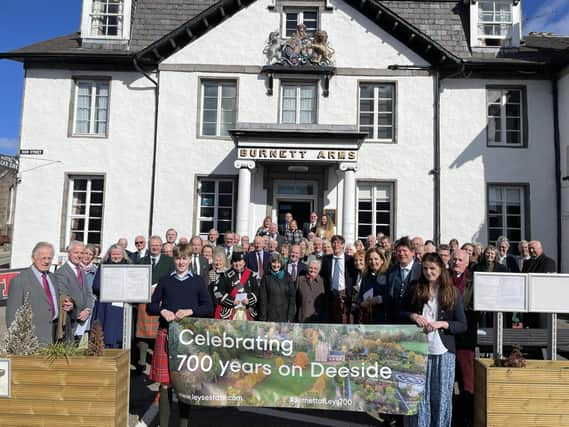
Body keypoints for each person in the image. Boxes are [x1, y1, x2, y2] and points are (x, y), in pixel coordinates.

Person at [147, 243, 213, 427]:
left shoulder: (198, 281)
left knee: (185, 383)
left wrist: (191, 311)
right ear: (174, 259)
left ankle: (183, 424)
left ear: (190, 259)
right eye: (178, 258)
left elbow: (208, 307)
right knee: (165, 384)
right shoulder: (165, 280)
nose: (181, 262)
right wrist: (162, 311)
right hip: (166, 333)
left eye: (184, 258)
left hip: (188, 338)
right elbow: (150, 306)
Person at [401, 253, 467, 427]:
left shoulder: (451, 291)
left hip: (443, 351)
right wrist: (413, 315)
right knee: (418, 396)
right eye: (425, 269)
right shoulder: (415, 287)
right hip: (417, 350)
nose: (428, 272)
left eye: (432, 269)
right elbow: (399, 312)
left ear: (440, 269)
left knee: (442, 397)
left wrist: (443, 324)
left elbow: (462, 324)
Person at [7, 242, 74, 346]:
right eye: (43, 258)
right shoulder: (19, 280)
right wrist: (17, 343)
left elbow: (52, 303)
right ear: (33, 258)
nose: (47, 261)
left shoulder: (52, 278)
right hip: (32, 339)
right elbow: (12, 316)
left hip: (55, 335)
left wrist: (67, 306)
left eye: (49, 258)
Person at [136, 236, 175, 373]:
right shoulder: (141, 261)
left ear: (161, 247)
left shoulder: (169, 261)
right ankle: (141, 362)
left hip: (162, 299)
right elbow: (136, 279)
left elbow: (172, 279)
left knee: (161, 331)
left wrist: (158, 288)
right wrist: (146, 288)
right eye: (152, 245)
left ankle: (160, 360)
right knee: (143, 332)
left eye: (158, 245)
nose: (155, 247)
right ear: (149, 246)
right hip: (145, 299)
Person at [449, 249, 477, 427]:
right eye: (454, 259)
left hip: (465, 338)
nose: (456, 262)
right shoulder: (444, 278)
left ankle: (467, 419)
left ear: (467, 262)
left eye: (460, 259)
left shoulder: (473, 280)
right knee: (448, 380)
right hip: (447, 336)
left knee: (467, 382)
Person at [92, 244, 132, 348]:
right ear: (109, 255)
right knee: (105, 334)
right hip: (105, 306)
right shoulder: (103, 266)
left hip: (122, 306)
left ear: (123, 255)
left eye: (118, 254)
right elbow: (96, 286)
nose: (116, 256)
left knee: (121, 334)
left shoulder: (129, 267)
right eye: (113, 254)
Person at [54, 240, 94, 342]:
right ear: (69, 253)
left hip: (81, 322)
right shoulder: (62, 272)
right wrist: (79, 313)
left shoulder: (81, 270)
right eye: (76, 252)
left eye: (81, 253)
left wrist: (87, 310)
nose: (79, 255)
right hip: (68, 322)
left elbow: (89, 293)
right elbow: (64, 297)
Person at [320, 235, 357, 324]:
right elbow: (323, 276)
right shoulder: (326, 259)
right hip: (331, 294)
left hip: (345, 294)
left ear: (343, 245)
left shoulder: (350, 260)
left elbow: (354, 277)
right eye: (334, 243)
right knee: (332, 319)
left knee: (346, 320)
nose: (336, 245)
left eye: (338, 243)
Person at [384, 236, 421, 323]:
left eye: (405, 251)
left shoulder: (421, 271)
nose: (401, 254)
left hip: (414, 320)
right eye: (399, 251)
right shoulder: (391, 271)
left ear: (413, 252)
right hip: (394, 319)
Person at [216, 251, 259, 320]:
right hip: (230, 311)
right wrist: (232, 301)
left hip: (248, 310)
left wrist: (249, 300)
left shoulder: (251, 275)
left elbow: (257, 291)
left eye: (240, 261)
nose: (237, 263)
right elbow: (218, 293)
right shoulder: (225, 275)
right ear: (232, 263)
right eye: (235, 261)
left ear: (244, 262)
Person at [259, 252, 296, 322]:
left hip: (284, 316)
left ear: (281, 264)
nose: (276, 265)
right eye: (274, 262)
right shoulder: (266, 277)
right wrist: (263, 318)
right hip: (270, 316)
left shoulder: (287, 277)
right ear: (270, 263)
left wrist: (290, 316)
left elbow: (292, 298)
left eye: (278, 263)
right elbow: (263, 299)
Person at [358, 248, 389, 324]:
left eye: (376, 259)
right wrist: (362, 303)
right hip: (368, 318)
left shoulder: (388, 275)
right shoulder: (365, 276)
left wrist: (379, 299)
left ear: (382, 261)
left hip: (384, 317)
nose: (373, 262)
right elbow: (360, 296)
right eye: (370, 259)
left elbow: (392, 296)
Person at [79, 244, 98, 334]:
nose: (87, 256)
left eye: (90, 254)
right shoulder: (75, 269)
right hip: (76, 307)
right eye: (85, 253)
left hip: (91, 308)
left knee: (87, 337)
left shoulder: (96, 271)